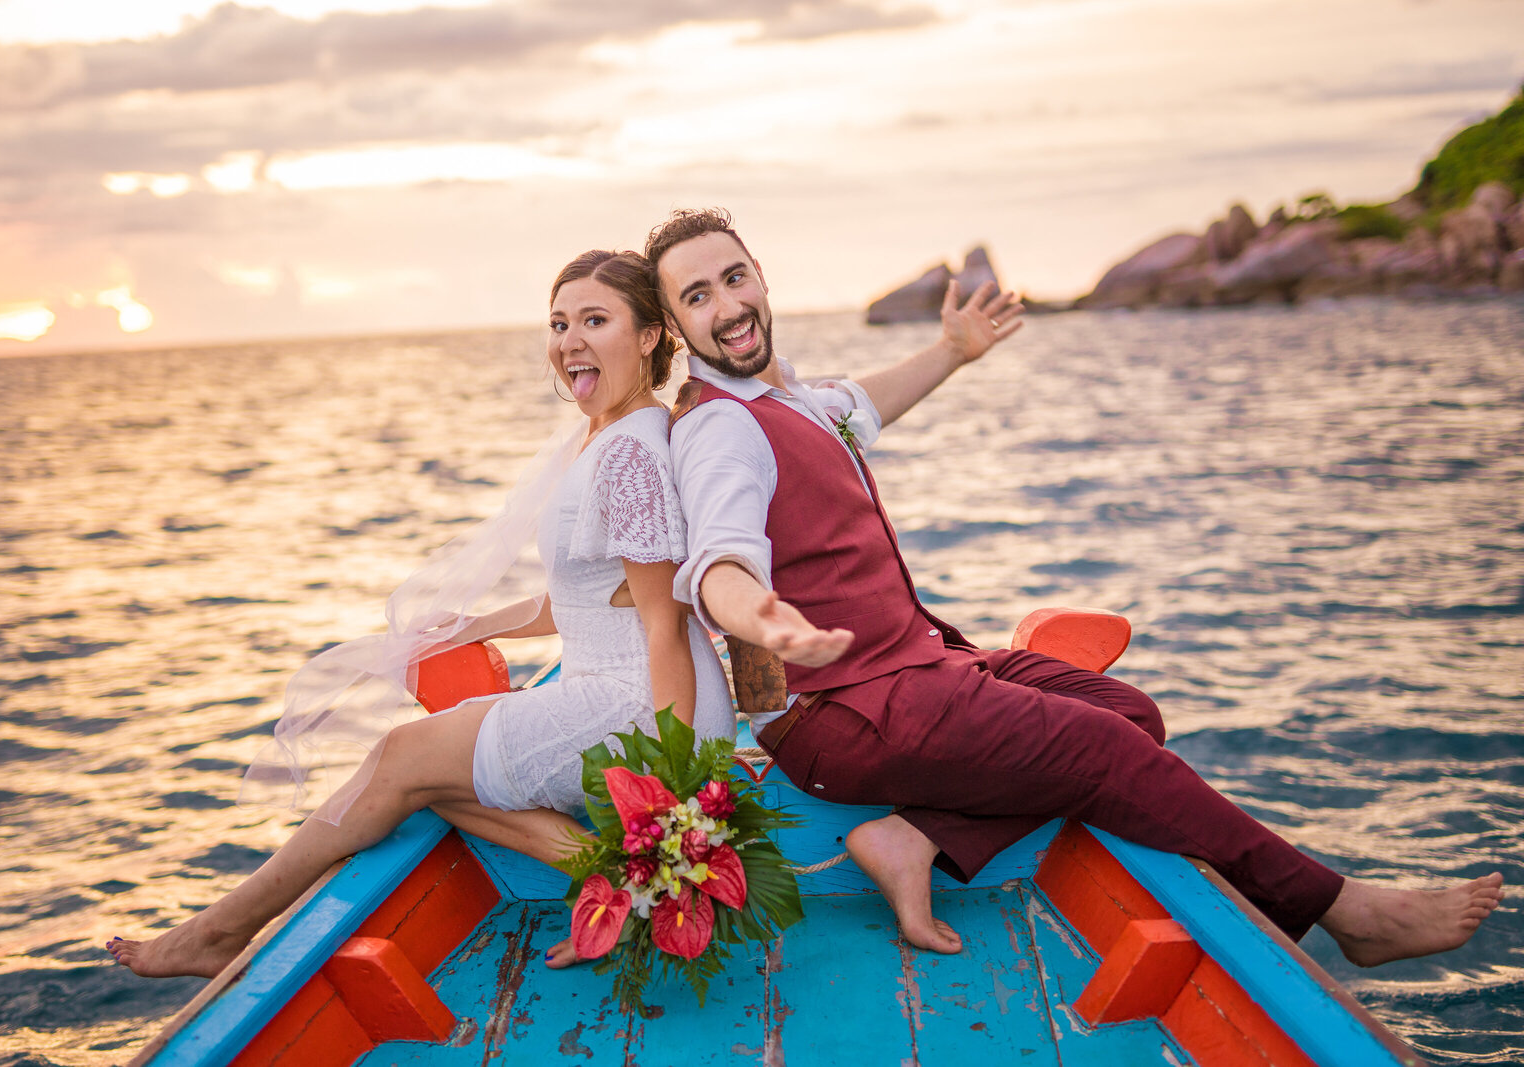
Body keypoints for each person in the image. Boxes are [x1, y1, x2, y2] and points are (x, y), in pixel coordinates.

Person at [647, 207, 1504, 966]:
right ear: (677, 326)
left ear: (760, 275)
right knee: (1106, 753)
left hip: (912, 673)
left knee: (1131, 716)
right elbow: (721, 559)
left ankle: (915, 838)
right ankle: (1345, 910)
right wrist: (756, 611)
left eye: (734, 277)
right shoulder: (720, 429)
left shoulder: (786, 396)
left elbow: (857, 405)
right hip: (839, 715)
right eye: (697, 297)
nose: (727, 306)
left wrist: (952, 348)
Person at [107, 249, 735, 979]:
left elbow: (661, 620)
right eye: (560, 323)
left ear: (651, 335)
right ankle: (626, 885)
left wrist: (673, 779)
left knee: (403, 759)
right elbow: (593, 595)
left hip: (646, 705)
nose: (569, 341)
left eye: (596, 320)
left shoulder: (629, 454)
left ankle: (221, 928)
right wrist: (473, 627)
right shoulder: (605, 435)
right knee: (422, 780)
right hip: (625, 682)